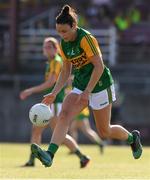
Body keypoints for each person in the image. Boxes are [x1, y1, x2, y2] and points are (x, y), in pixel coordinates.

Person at [31, 5, 143, 167]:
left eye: (64, 31)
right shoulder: (64, 43)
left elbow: (99, 66)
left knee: (104, 132)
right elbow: (66, 70)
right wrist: (54, 92)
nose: (61, 35)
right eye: (58, 32)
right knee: (64, 116)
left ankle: (133, 138)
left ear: (74, 26)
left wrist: (88, 91)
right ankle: (49, 155)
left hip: (100, 85)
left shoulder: (86, 39)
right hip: (80, 83)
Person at [20, 37, 90, 168]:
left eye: (49, 47)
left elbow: (51, 82)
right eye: (44, 47)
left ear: (56, 48)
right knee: (42, 131)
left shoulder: (57, 61)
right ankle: (82, 157)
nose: (46, 49)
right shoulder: (51, 62)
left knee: (55, 134)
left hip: (56, 104)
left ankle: (82, 156)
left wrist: (30, 90)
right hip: (52, 104)